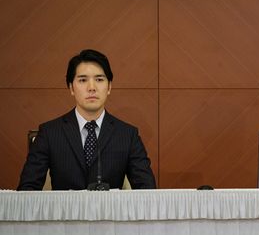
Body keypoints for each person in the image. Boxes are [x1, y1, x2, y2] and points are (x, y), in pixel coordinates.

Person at [18, 49, 156, 190]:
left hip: (109, 212)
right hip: (65, 212)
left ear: (109, 87)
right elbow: (27, 191)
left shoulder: (127, 135)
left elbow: (147, 191)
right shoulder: (49, 133)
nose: (92, 88)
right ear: (71, 87)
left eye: (99, 80)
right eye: (83, 80)